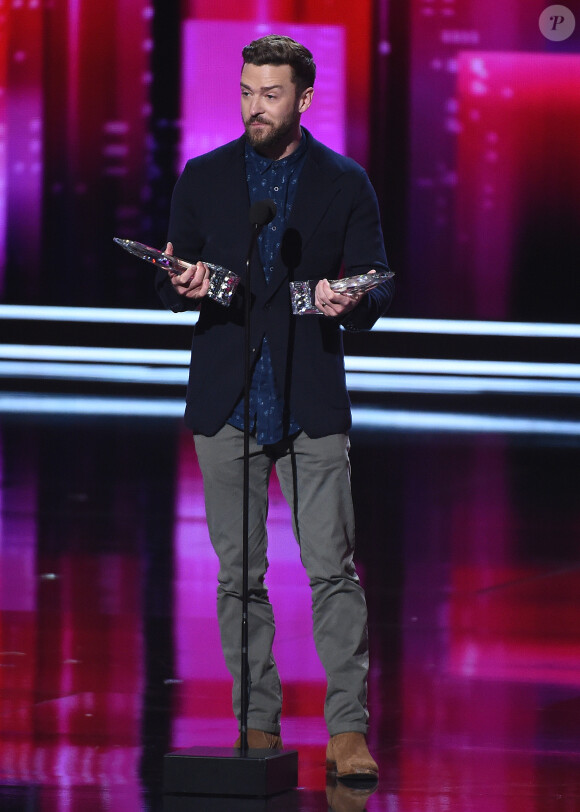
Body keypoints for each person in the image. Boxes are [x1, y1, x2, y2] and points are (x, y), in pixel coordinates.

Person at [155, 34, 394, 780]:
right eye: (248, 91)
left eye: (271, 94)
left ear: (305, 99)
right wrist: (184, 283)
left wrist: (342, 298)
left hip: (310, 399)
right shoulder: (204, 176)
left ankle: (348, 730)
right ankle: (256, 722)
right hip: (227, 399)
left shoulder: (346, 182)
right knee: (237, 576)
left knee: (331, 569)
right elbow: (177, 274)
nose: (256, 107)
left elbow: (377, 287)